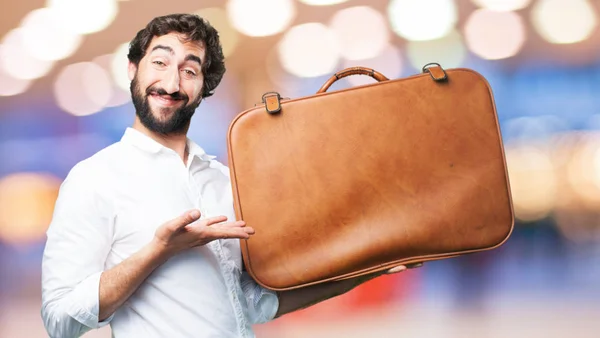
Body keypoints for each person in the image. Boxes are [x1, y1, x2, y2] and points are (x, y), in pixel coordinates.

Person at [41, 13, 411, 338]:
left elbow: (254, 304)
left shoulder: (223, 182)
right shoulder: (93, 180)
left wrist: (370, 271)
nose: (171, 84)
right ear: (132, 69)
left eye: (189, 70)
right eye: (159, 63)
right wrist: (158, 251)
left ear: (204, 88)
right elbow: (60, 321)